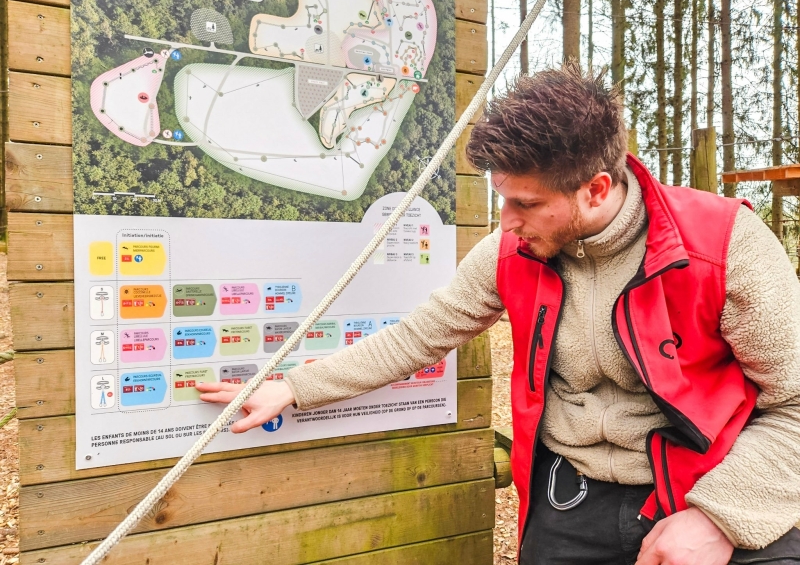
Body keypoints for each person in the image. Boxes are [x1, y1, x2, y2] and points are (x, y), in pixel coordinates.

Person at [197, 63, 800, 565]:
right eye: (500, 198)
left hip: (714, 483)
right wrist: (294, 387)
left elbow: (795, 406)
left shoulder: (724, 246)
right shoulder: (511, 251)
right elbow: (418, 336)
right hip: (574, 499)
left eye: (526, 203)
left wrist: (719, 518)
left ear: (595, 189)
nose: (505, 222)